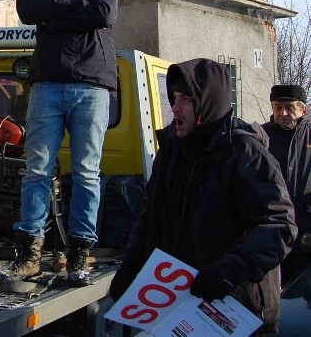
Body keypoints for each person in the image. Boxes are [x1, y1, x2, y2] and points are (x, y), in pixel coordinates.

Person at [109, 59, 297, 334]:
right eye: (174, 98)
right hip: (180, 305)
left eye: (185, 99)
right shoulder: (172, 150)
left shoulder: (244, 152)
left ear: (207, 103)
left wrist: (230, 270)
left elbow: (279, 224)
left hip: (235, 306)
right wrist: (132, 266)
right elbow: (149, 216)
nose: (174, 107)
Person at [10, 0, 119, 286]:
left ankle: (79, 256)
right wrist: (73, 4)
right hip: (47, 84)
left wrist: (52, 12)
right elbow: (25, 9)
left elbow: (104, 12)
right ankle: (29, 254)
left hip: (91, 85)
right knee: (36, 169)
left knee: (87, 173)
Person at [260, 84, 310, 286]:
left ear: (303, 109)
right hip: (270, 232)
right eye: (277, 107)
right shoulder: (259, 137)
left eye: (290, 107)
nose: (283, 113)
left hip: (306, 234)